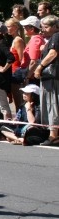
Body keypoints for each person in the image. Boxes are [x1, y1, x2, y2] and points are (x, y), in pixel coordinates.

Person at [34, 14, 59, 146]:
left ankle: (53, 135)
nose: (42, 29)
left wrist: (40, 67)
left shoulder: (56, 36)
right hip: (49, 78)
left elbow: (53, 53)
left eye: (46, 26)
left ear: (55, 27)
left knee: (52, 105)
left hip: (52, 77)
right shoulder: (50, 38)